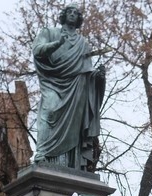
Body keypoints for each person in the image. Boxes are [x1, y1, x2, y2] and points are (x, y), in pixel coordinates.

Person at [32, 4, 105, 170]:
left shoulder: (83, 43)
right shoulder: (49, 32)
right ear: (63, 15)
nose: (72, 14)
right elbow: (37, 50)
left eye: (75, 13)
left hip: (77, 86)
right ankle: (42, 153)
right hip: (52, 81)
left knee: (75, 126)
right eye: (69, 12)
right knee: (50, 110)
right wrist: (57, 44)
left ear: (78, 18)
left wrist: (98, 76)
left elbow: (86, 71)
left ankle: (71, 164)